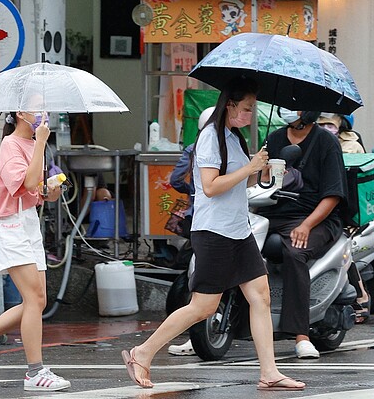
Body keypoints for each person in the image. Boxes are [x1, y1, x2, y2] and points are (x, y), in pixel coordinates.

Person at [121, 77, 305, 391]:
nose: (250, 115)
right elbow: (211, 186)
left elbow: (241, 185)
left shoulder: (236, 138)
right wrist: (248, 169)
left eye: (253, 108)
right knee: (203, 307)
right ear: (229, 105)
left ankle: (270, 372)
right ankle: (143, 352)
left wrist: (261, 170)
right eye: (246, 108)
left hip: (238, 229)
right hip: (214, 232)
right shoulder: (210, 137)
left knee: (260, 297)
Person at [0, 111, 70, 392]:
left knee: (37, 301)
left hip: (28, 224)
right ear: (20, 113)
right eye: (37, 109)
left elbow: (34, 189)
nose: (43, 114)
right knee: (33, 299)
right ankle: (34, 372)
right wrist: (41, 143)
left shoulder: (33, 144)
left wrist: (49, 192)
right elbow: (25, 183)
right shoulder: (10, 145)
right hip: (10, 226)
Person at [260, 108, 348, 359]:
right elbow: (260, 181)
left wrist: (307, 225)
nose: (289, 111)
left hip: (317, 217)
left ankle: (301, 335)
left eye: (296, 107)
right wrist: (262, 170)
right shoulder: (275, 138)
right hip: (274, 213)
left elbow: (333, 195)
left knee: (295, 251)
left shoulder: (326, 142)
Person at [167, 107, 214, 357]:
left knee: (195, 270)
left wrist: (190, 190)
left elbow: (175, 180)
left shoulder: (192, 149)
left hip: (194, 215)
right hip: (211, 220)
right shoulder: (224, 147)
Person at [317, 113, 370, 323]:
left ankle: (360, 295)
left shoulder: (351, 145)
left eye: (330, 124)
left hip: (343, 206)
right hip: (316, 203)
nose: (325, 127)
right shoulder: (310, 139)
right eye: (321, 123)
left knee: (341, 250)